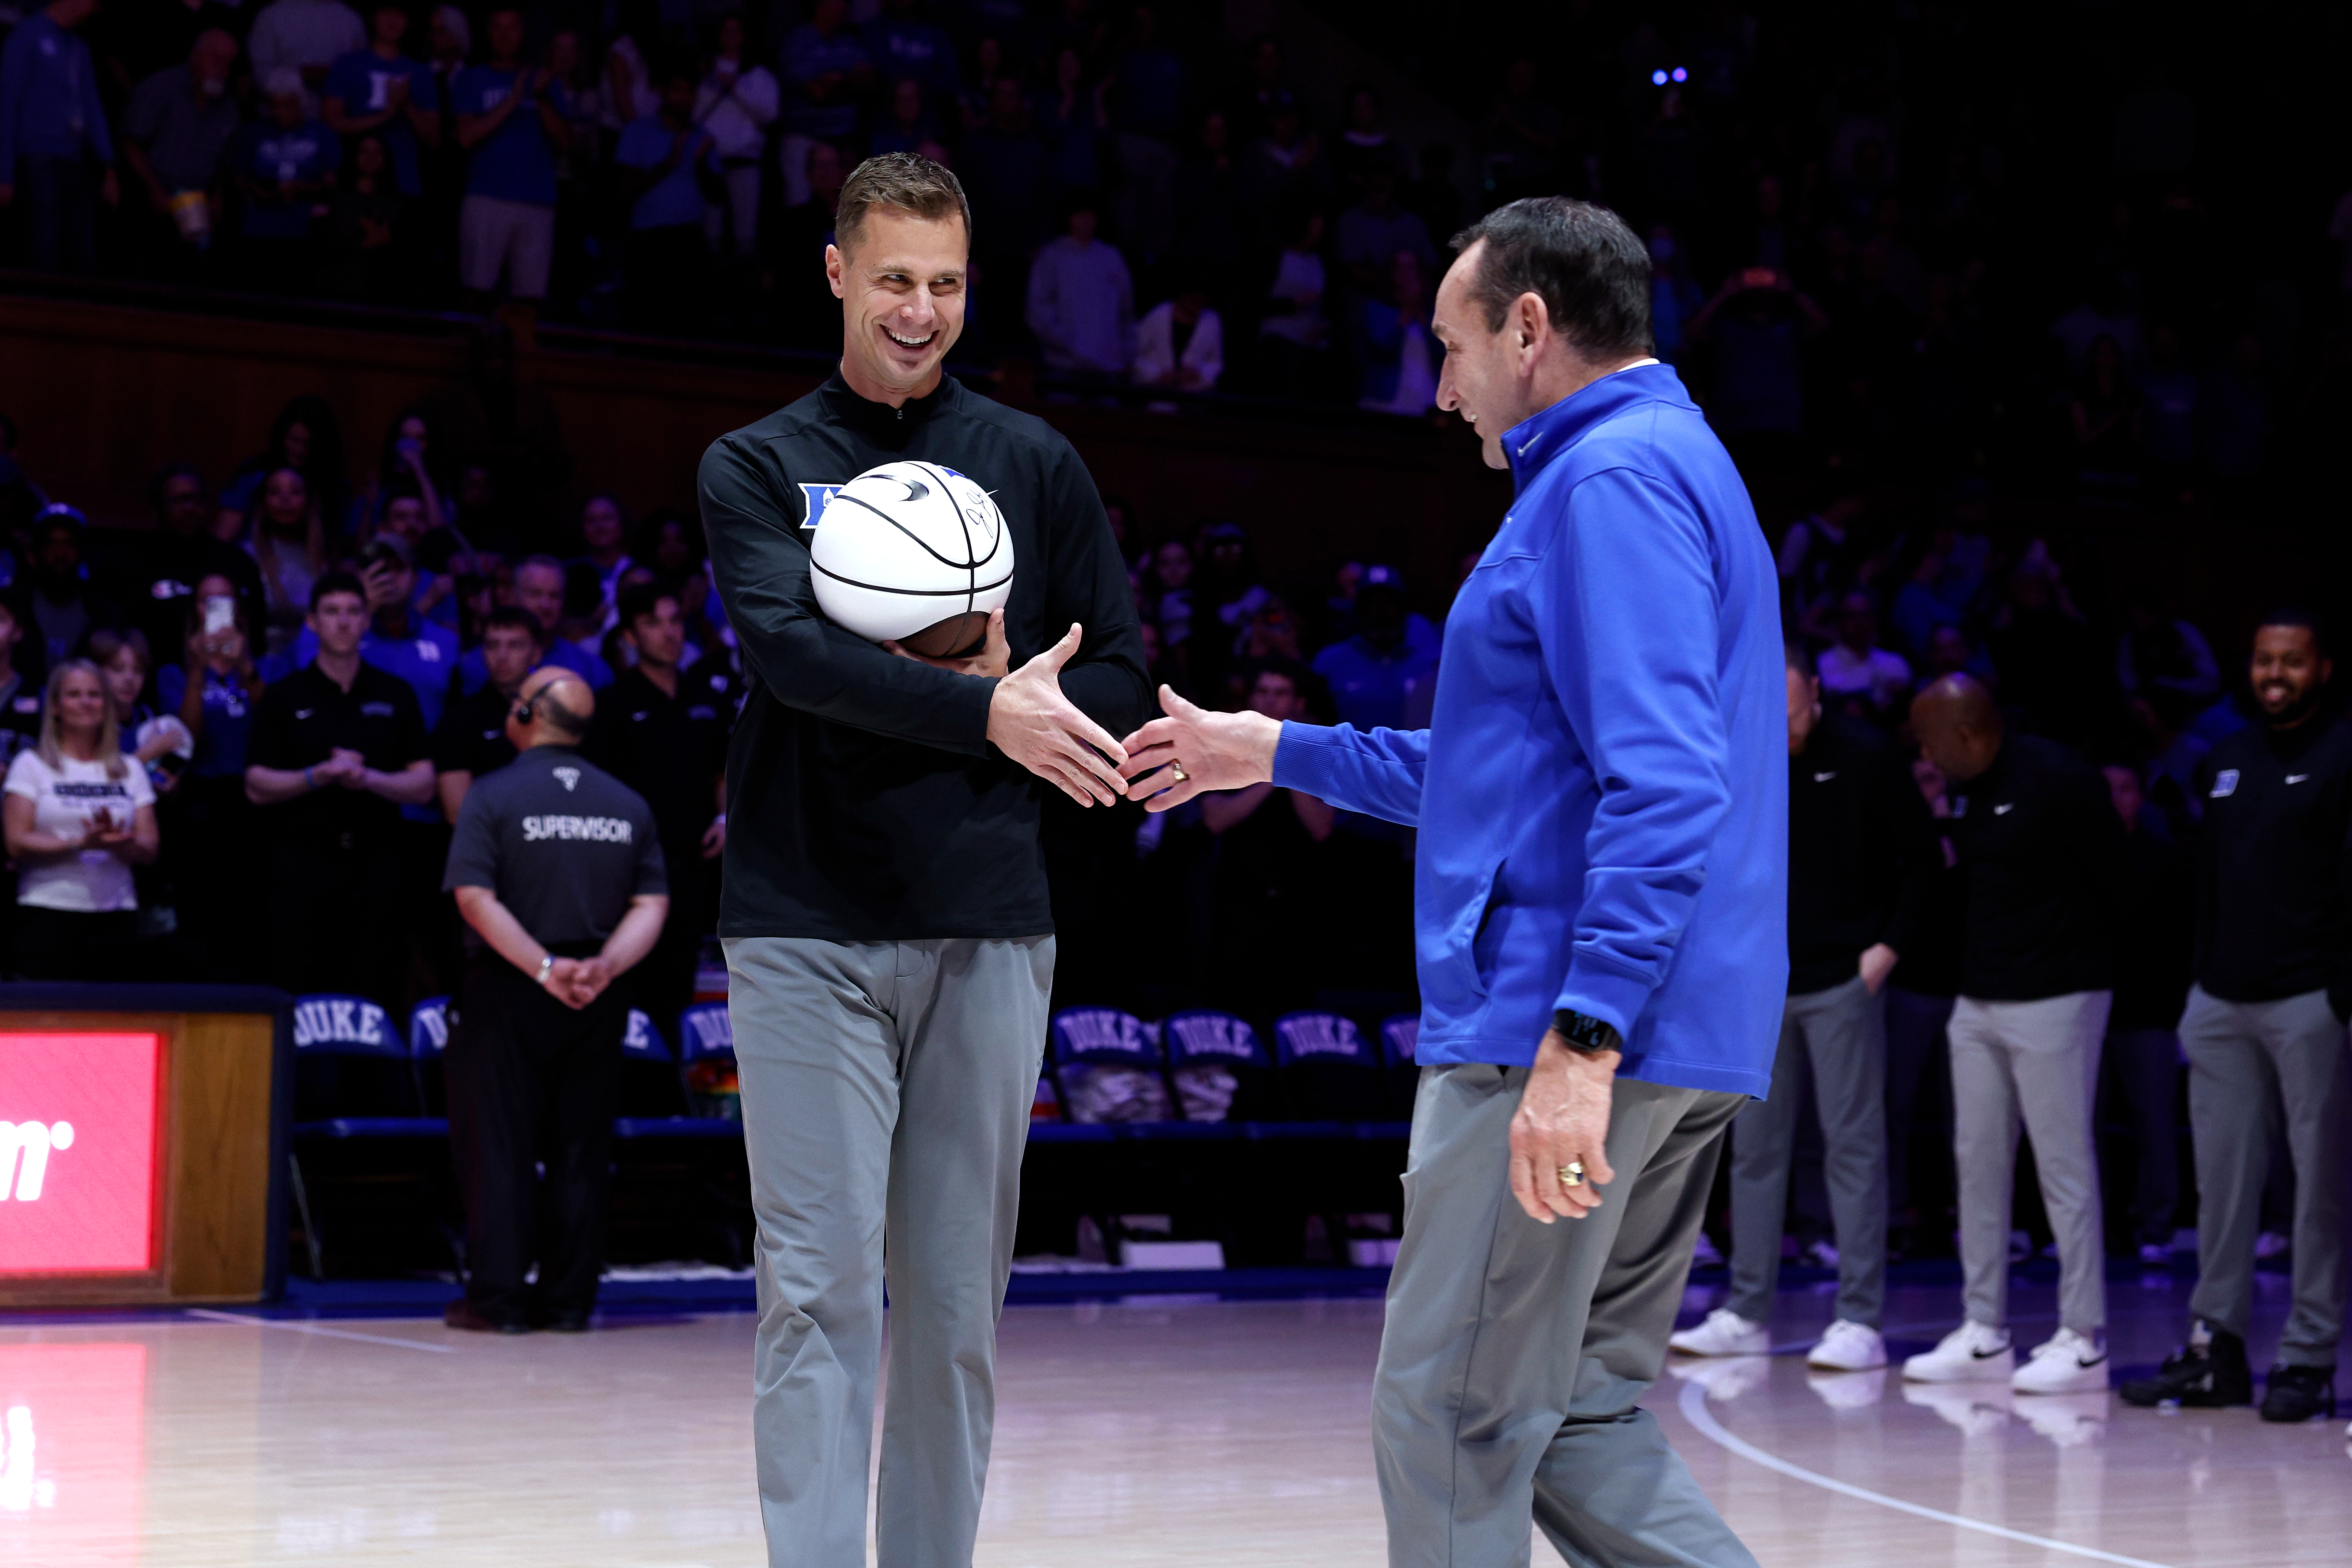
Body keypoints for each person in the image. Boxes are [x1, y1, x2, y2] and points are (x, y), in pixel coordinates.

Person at [1120, 196, 1783, 1568]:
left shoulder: (1602, 485)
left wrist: (1580, 1034)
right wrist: (1276, 745)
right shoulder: (1667, 461)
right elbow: (1514, 771)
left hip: (1564, 1027)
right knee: (1571, 1412)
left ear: (1527, 329)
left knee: (1450, 1413)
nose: (1437, 390)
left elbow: (1660, 782)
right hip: (1685, 1026)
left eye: (1450, 346)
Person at [697, 151, 1149, 1567]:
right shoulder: (756, 465)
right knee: (816, 1293)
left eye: (945, 282)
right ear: (837, 271)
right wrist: (985, 705)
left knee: (953, 1310)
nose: (919, 309)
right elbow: (791, 656)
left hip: (990, 928)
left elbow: (1122, 669)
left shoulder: (1030, 461)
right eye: (892, 277)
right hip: (802, 922)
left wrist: (1052, 710)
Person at [1673, 642, 1928, 1370]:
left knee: (1852, 1147)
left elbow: (1920, 860)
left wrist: (1882, 953)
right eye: (1763, 714)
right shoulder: (1734, 753)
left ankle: (1858, 1317)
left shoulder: (1867, 755)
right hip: (1758, 984)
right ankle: (1745, 1308)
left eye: (1788, 714)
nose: (1778, 730)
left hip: (1844, 979)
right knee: (1753, 1149)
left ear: (1814, 691)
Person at [2123, 613, 2352, 1423]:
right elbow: (2207, 886)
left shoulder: (2342, 753)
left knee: (2316, 1184)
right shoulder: (2223, 760)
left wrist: (2338, 994)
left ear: (2320, 667)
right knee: (2218, 1184)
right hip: (2220, 999)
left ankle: (2307, 1353)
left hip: (2307, 999)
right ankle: (2214, 1349)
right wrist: (2197, 988)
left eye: (2291, 660)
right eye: (2263, 660)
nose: (2274, 674)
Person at [1903, 674, 2127, 1395]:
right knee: (1974, 1161)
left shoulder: (2059, 779)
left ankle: (2082, 1336)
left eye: (1930, 743)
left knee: (2061, 1166)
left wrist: (2085, 973)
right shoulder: (1959, 790)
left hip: (2057, 996)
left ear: (1965, 733)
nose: (1924, 756)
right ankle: (1982, 1330)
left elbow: (2117, 882)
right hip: (1977, 998)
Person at [440, 664, 668, 1333]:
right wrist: (600, 966)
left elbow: (474, 898)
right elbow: (652, 902)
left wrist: (545, 968)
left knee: (501, 1144)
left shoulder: (492, 795)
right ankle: (569, 1302)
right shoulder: (626, 802)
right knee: (579, 1147)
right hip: (597, 994)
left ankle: (499, 1301)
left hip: (514, 986)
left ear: (527, 715)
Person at [244, 571, 434, 1011]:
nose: (344, 622)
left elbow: (424, 784)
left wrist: (368, 779)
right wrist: (320, 775)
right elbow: (256, 784)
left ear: (367, 620)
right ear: (312, 622)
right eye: (332, 612)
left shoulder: (396, 693)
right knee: (298, 991)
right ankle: (300, 1081)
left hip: (376, 863)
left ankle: (366, 1081)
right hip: (301, 864)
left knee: (371, 992)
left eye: (353, 612)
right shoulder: (285, 696)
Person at [584, 582, 730, 1036]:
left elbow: (722, 768)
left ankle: (676, 1096)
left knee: (683, 978)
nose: (668, 633)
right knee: (632, 983)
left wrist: (725, 818)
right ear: (629, 636)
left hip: (694, 860)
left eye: (674, 621)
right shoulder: (611, 702)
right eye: (653, 623)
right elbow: (598, 786)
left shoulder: (705, 694)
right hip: (632, 866)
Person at [4, 660, 159, 979]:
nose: (86, 702)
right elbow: (16, 841)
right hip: (46, 911)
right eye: (74, 695)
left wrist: (122, 843)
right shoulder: (31, 764)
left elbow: (150, 845)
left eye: (95, 694)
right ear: (57, 707)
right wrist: (80, 842)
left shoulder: (130, 769)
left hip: (116, 915)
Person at [159, 573, 267, 979]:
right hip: (199, 801)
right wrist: (198, 670)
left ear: (239, 610)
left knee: (247, 909)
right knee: (200, 910)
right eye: (207, 601)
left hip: (251, 800)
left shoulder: (263, 666)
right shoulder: (173, 672)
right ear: (195, 610)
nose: (215, 608)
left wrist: (244, 665)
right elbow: (185, 736)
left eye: (225, 599)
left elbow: (274, 725)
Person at [451, 8, 573, 313]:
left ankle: (526, 358)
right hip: (486, 195)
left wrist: (542, 97)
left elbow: (567, 143)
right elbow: (465, 136)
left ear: (524, 34)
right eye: (497, 27)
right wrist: (514, 99)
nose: (505, 35)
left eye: (513, 28)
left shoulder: (546, 82)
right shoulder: (472, 78)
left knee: (529, 299)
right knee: (475, 292)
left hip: (538, 199)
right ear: (488, 34)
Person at [0, 0, 119, 275]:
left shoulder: (79, 48)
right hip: (37, 159)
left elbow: (92, 107)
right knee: (44, 250)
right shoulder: (27, 37)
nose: (93, 10)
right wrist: (4, 174)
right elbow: (7, 106)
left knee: (84, 254)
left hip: (74, 160)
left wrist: (109, 164)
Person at [613, 60, 720, 334]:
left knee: (688, 324)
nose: (683, 98)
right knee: (644, 321)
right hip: (647, 239)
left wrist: (700, 163)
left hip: (689, 240)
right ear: (662, 91)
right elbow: (623, 188)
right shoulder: (637, 131)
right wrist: (670, 161)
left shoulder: (703, 137)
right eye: (676, 90)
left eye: (689, 91)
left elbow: (717, 196)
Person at [120, 29, 243, 264]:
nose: (222, 69)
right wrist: (154, 189)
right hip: (152, 201)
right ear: (196, 56)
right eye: (216, 59)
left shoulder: (227, 106)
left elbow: (226, 159)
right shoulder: (159, 89)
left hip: (196, 207)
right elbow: (130, 143)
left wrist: (218, 197)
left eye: (228, 63)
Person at [321, 1, 440, 203]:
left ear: (408, 22)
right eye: (386, 11)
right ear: (374, 18)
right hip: (353, 186)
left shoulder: (421, 73)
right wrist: (384, 116)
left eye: (400, 13)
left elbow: (435, 138)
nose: (393, 20)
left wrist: (406, 105)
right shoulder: (347, 65)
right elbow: (331, 122)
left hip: (405, 185)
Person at [434, 603, 536, 821]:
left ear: (536, 654)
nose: (502, 655)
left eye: (515, 646)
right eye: (492, 645)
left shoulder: (557, 714)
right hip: (490, 846)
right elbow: (458, 814)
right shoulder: (458, 720)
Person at [694, 13, 777, 260]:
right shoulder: (703, 74)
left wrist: (737, 88)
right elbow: (693, 115)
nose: (731, 36)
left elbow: (770, 115)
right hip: (709, 163)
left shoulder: (758, 75)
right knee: (711, 232)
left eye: (736, 30)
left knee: (746, 232)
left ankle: (746, 283)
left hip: (745, 161)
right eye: (725, 30)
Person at [1025, 193, 1134, 380]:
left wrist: (1126, 352)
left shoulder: (1111, 257)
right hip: (1064, 365)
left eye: (1090, 214)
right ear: (1068, 218)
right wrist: (1069, 344)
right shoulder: (1052, 256)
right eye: (1079, 214)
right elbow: (1038, 310)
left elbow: (1126, 311)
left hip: (1108, 366)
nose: (1086, 220)